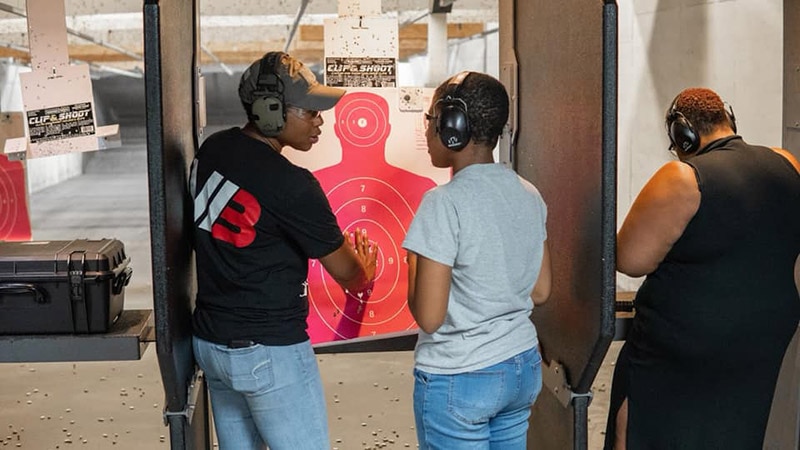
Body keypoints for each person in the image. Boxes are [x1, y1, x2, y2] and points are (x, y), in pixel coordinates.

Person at [189, 51, 378, 450]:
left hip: (211, 345)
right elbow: (348, 273)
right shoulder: (293, 184)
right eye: (309, 112)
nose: (319, 121)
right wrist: (367, 268)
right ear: (269, 111)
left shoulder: (212, 150)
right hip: (268, 352)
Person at [605, 87, 800, 450]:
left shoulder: (683, 178)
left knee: (634, 426)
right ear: (729, 120)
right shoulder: (787, 163)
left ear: (683, 134)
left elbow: (629, 259)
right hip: (761, 338)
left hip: (681, 344)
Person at [402, 71, 552, 449]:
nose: (427, 130)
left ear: (453, 125)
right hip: (520, 367)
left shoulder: (443, 203)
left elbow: (429, 317)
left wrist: (413, 261)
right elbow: (541, 290)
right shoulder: (528, 193)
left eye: (431, 120)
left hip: (460, 375)